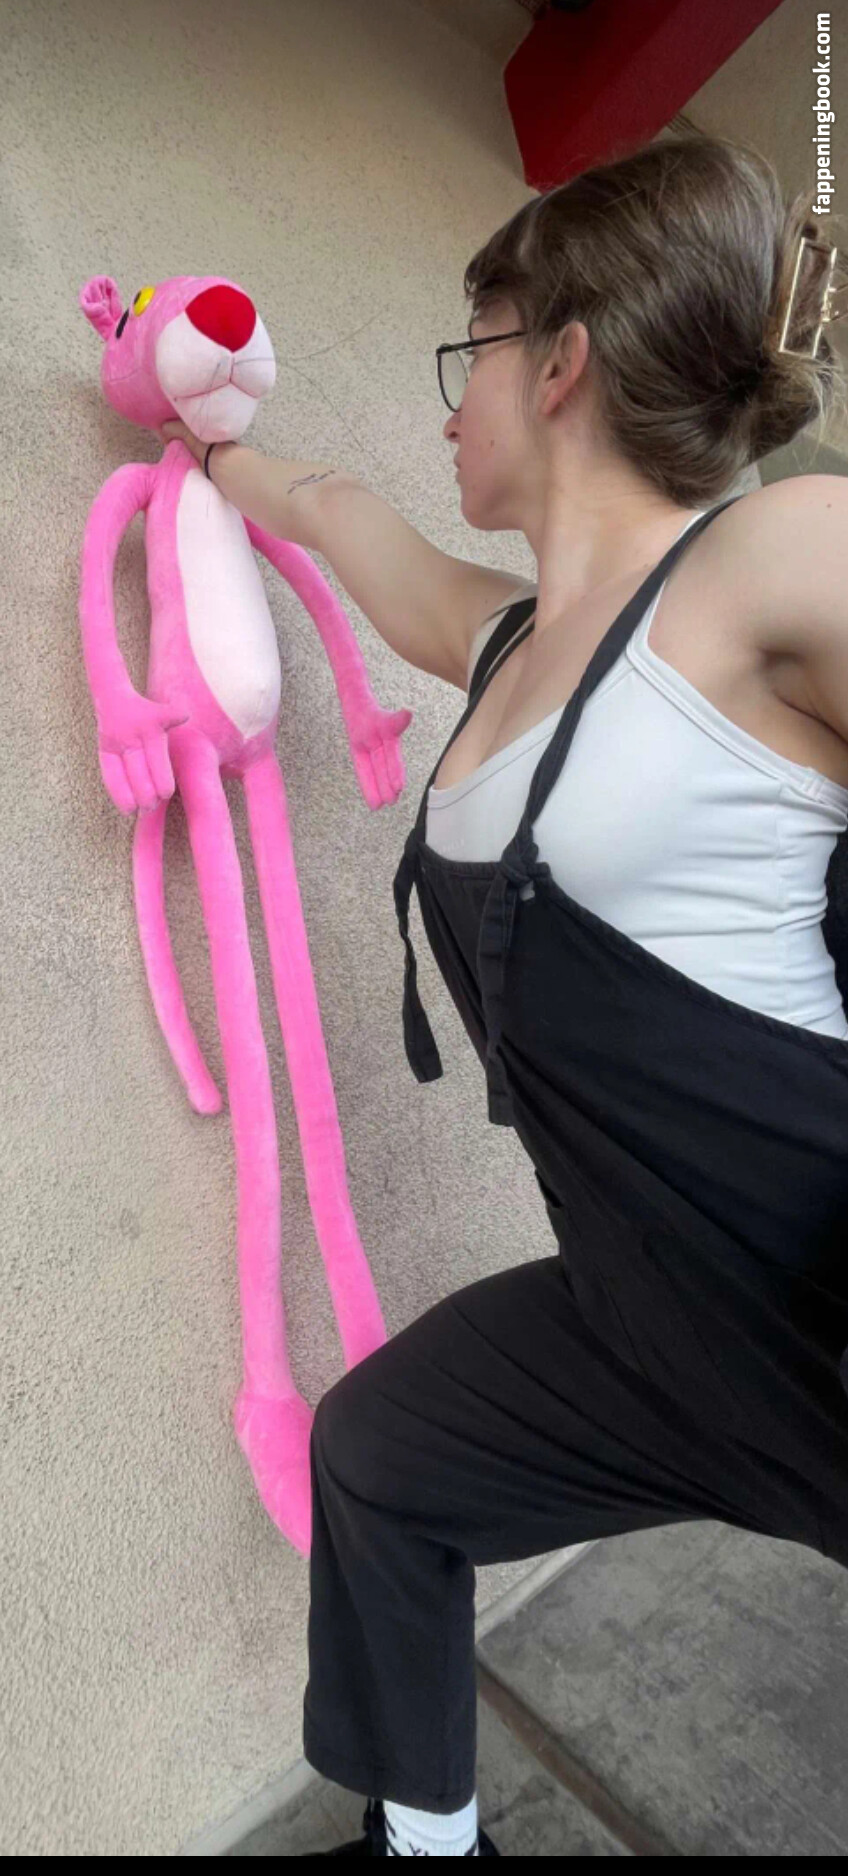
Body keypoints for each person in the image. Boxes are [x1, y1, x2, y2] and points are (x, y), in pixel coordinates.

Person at [162, 134, 848, 1859]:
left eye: (466, 355)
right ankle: (428, 1844)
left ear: (560, 363)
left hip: (821, 1292)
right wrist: (203, 440)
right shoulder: (505, 649)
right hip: (644, 1326)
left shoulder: (774, 560)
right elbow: (343, 517)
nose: (450, 409)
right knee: (382, 1458)